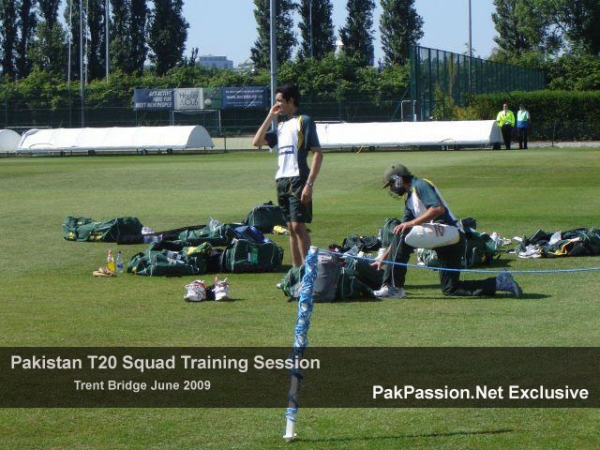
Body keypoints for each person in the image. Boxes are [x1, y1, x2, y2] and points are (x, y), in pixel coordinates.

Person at [372, 163, 523, 299]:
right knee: (450, 288)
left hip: (448, 232)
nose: (391, 188)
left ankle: (393, 287)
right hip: (447, 239)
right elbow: (402, 231)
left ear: (398, 179)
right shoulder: (409, 199)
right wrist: (384, 258)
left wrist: (411, 223)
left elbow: (438, 209)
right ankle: (500, 282)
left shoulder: (420, 185)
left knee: (404, 231)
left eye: (391, 184)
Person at [252, 83, 323, 268]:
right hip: (281, 180)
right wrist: (270, 116)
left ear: (291, 101)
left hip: (297, 179)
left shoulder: (303, 121)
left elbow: (317, 153)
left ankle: (308, 273)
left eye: (280, 101)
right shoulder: (281, 126)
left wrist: (309, 184)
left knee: (299, 226)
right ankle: (296, 273)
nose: (277, 105)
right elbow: (256, 141)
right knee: (291, 229)